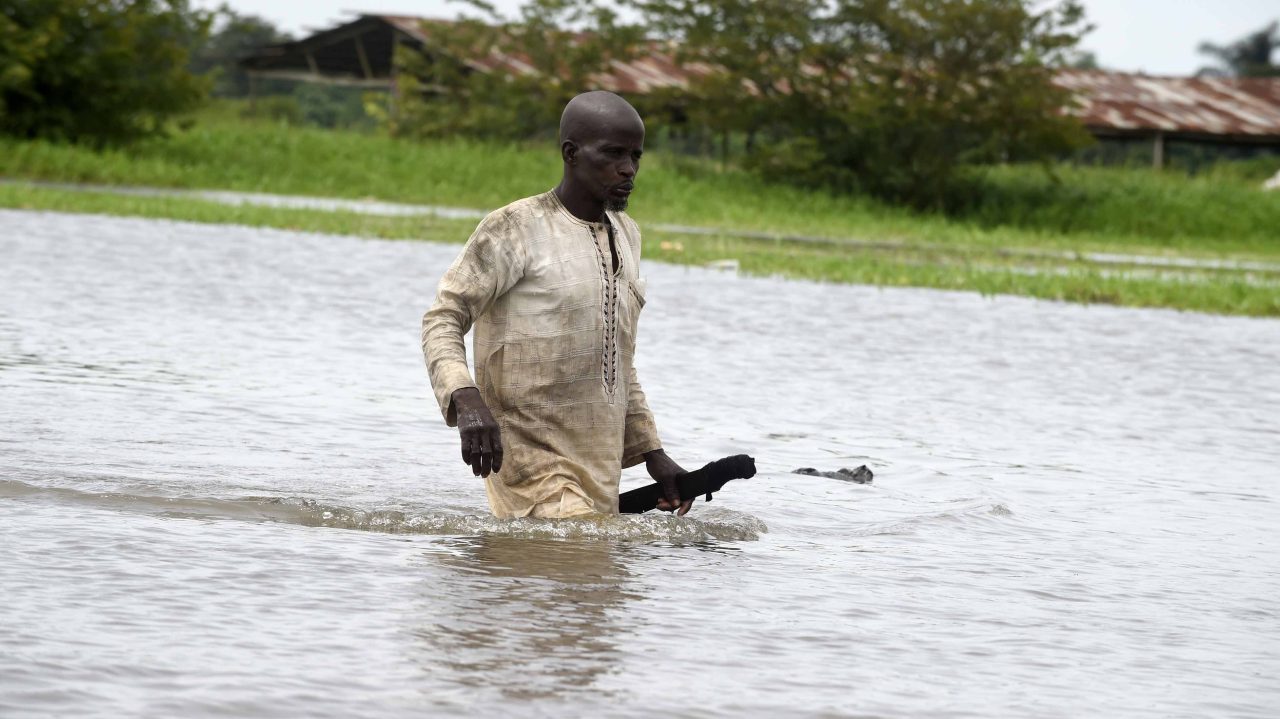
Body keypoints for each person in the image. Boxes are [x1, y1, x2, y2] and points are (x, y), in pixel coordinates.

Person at [421, 91, 691, 520]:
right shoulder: (514, 227)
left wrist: (651, 452)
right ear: (571, 153)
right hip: (525, 456)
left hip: (598, 464)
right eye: (614, 154)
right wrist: (466, 398)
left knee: (595, 557)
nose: (628, 169)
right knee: (572, 550)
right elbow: (443, 318)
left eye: (636, 156)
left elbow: (617, 359)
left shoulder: (628, 235)